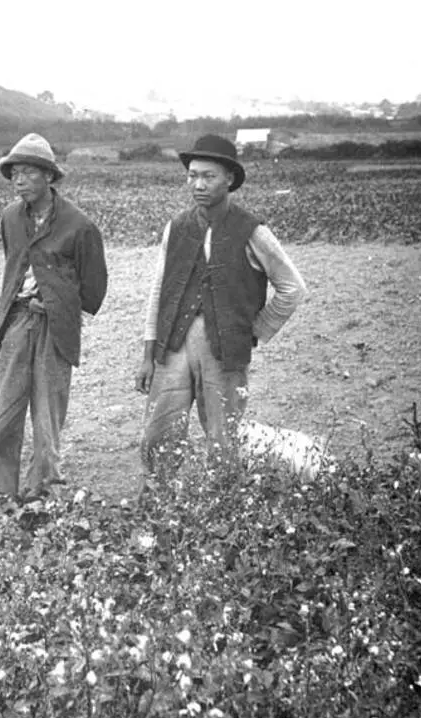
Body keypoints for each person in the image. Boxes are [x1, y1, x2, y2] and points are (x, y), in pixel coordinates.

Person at [136, 133, 307, 480]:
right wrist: (147, 351)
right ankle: (160, 494)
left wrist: (254, 331)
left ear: (229, 179)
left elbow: (293, 288)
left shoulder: (252, 231)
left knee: (222, 432)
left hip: (225, 348)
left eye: (208, 176)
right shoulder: (178, 227)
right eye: (192, 175)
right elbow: (159, 290)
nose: (198, 184)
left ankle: (224, 501)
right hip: (174, 342)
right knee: (159, 429)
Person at [0, 133, 108, 501]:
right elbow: (13, 262)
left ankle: (42, 493)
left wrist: (56, 302)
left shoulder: (79, 226)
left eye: (28, 173)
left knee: (48, 418)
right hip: (17, 323)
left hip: (55, 329)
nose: (18, 181)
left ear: (48, 177)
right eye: (14, 173)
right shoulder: (10, 219)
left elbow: (94, 289)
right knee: (3, 412)